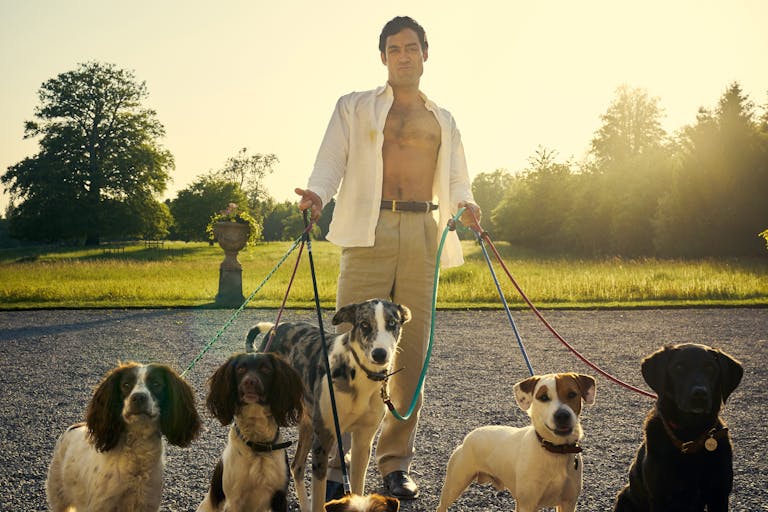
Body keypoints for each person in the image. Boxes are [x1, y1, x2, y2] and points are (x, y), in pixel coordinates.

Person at [295, 15, 481, 500]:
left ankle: (395, 463)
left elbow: (457, 177)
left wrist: (465, 203)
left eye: (411, 47)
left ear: (425, 54)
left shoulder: (443, 119)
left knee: (411, 355)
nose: (403, 56)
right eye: (394, 48)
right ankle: (336, 464)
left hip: (422, 229)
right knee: (347, 347)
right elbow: (330, 160)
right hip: (368, 228)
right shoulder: (354, 106)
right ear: (382, 57)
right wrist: (316, 195)